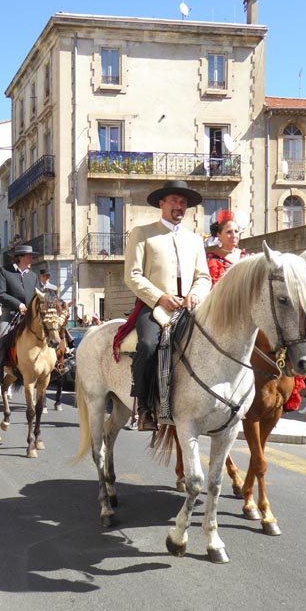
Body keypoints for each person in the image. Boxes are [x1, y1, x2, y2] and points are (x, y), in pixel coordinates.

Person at [124, 179, 211, 431]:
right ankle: (144, 407)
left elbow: (203, 277)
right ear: (161, 204)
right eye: (174, 201)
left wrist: (195, 294)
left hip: (188, 307)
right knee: (148, 345)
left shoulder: (195, 240)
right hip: (154, 307)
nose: (179, 206)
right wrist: (160, 297)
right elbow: (132, 275)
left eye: (183, 203)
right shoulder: (143, 233)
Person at [0, 244, 38, 382]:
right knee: (2, 337)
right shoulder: (4, 271)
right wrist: (18, 304)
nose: (32, 258)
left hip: (29, 316)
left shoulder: (33, 276)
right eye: (29, 255)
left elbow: (38, 295)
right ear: (20, 257)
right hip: (10, 314)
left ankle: (55, 365)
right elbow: (0, 294)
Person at [205, 211, 247, 285]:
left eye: (236, 231)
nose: (234, 235)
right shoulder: (212, 260)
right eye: (229, 232)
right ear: (219, 235)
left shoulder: (245, 256)